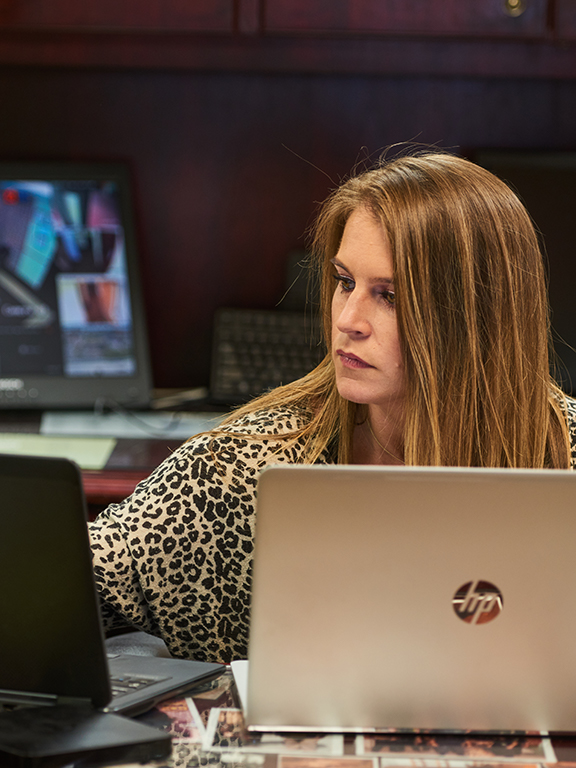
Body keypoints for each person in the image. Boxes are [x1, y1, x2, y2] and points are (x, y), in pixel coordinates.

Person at [89, 150, 576, 664]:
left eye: (388, 296)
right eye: (345, 282)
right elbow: (72, 583)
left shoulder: (564, 450)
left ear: (476, 316)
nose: (348, 319)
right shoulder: (239, 467)